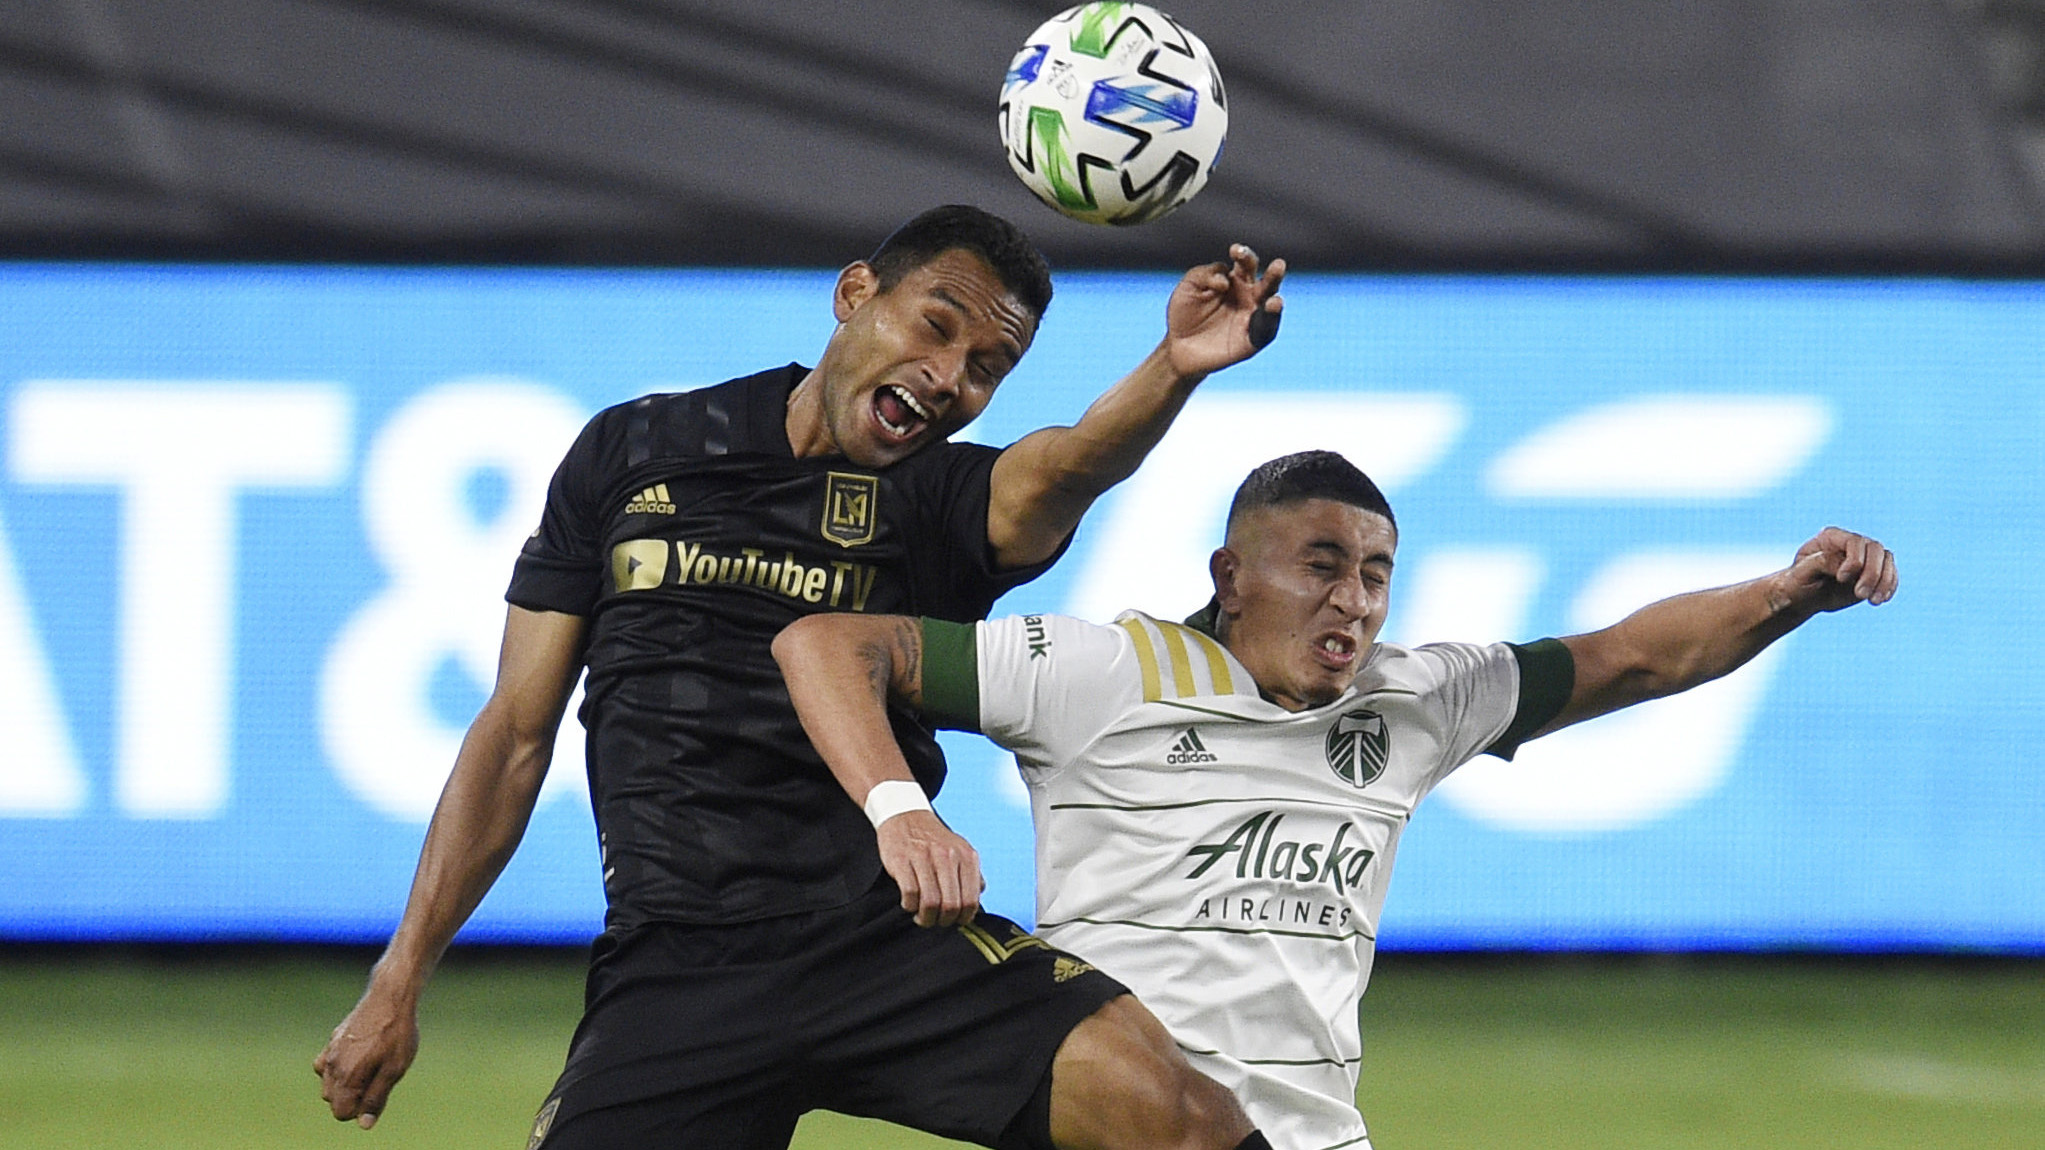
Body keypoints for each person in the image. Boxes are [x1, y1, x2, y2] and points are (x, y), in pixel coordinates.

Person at [313, 204, 1286, 1150]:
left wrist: (1173, 368)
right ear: (854, 293)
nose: (949, 377)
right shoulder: (632, 451)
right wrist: (399, 977)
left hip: (884, 939)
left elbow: (1064, 467)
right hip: (679, 965)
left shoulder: (941, 499)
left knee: (1177, 1112)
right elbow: (515, 736)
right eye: (934, 328)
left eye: (986, 369)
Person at [772, 449, 1899, 1150]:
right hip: (1123, 1126)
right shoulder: (1097, 673)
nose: (1352, 599)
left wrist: (1782, 594)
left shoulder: (1414, 699)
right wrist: (898, 809)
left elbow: (1632, 656)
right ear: (1228, 576)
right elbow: (831, 642)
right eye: (1318, 562)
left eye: (1372, 572)